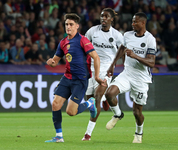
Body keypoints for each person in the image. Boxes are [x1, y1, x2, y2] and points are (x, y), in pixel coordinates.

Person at [45, 13, 106, 143]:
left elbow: (96, 57)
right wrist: (51, 62)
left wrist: (96, 76)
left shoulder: (83, 40)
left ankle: (90, 103)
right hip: (67, 78)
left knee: (71, 112)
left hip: (80, 80)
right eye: (67, 24)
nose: (68, 27)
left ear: (77, 26)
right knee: (55, 104)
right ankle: (59, 137)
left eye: (71, 24)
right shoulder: (63, 42)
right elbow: (55, 61)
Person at [105, 12, 156, 143]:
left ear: (143, 23)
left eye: (136, 22)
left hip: (141, 79)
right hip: (127, 74)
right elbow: (122, 48)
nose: (133, 24)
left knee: (137, 112)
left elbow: (151, 62)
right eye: (132, 21)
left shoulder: (150, 39)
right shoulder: (127, 35)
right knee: (109, 94)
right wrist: (113, 65)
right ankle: (118, 114)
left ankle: (139, 133)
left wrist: (135, 56)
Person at [82, 8, 124, 141]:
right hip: (92, 69)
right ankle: (107, 101)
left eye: (106, 16)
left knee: (96, 98)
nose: (103, 18)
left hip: (106, 69)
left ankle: (88, 134)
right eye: (102, 16)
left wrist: (115, 64)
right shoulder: (92, 31)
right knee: (89, 99)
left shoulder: (117, 35)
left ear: (112, 19)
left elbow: (123, 49)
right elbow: (83, 45)